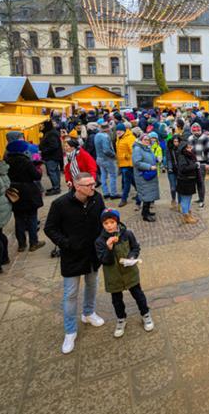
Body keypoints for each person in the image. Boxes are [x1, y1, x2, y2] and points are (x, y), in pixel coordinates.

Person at [44, 172, 106, 354]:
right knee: (70, 293)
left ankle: (88, 313)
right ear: (77, 187)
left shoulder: (97, 199)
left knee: (92, 284)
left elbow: (103, 219)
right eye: (88, 185)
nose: (92, 188)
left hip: (92, 253)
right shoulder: (60, 204)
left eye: (93, 184)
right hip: (72, 255)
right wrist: (66, 243)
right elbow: (50, 228)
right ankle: (70, 331)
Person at [94, 209, 154, 337]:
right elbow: (104, 261)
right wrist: (109, 248)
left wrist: (132, 257)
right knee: (116, 300)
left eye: (112, 222)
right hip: (113, 276)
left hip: (130, 272)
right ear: (102, 225)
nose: (109, 225)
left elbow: (135, 248)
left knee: (138, 295)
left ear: (117, 222)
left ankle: (145, 314)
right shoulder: (99, 241)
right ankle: (121, 319)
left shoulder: (127, 234)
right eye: (106, 223)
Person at [5, 140, 46, 252]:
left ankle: (21, 245)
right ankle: (33, 242)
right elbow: (36, 176)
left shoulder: (6, 161)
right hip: (28, 191)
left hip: (14, 192)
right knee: (32, 217)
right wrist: (38, 169)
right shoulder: (26, 161)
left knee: (19, 219)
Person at [132, 134, 161, 222]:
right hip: (143, 176)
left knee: (149, 195)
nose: (147, 141)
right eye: (145, 139)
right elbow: (137, 163)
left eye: (148, 140)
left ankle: (147, 211)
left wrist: (156, 159)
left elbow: (149, 158)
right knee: (146, 195)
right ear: (140, 140)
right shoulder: (138, 149)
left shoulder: (147, 148)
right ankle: (145, 215)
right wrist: (149, 167)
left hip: (149, 175)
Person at [187, 123, 209, 208]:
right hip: (193, 163)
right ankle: (198, 198)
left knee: (201, 182)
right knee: (193, 182)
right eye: (194, 131)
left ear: (200, 130)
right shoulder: (190, 138)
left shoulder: (205, 138)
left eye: (197, 130)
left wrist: (208, 163)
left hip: (202, 163)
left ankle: (202, 200)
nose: (196, 132)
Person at [175, 139, 200, 224]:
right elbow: (183, 169)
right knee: (185, 199)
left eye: (190, 147)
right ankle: (186, 216)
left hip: (189, 180)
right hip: (185, 181)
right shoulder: (182, 156)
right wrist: (195, 165)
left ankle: (188, 214)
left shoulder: (188, 155)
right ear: (184, 148)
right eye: (188, 147)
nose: (190, 149)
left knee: (188, 199)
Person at [94, 123, 119, 199]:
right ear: (107, 129)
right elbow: (106, 150)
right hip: (107, 159)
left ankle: (105, 193)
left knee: (103, 175)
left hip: (99, 158)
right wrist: (114, 156)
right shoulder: (105, 137)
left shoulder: (97, 135)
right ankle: (113, 194)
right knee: (112, 175)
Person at [39, 120, 63, 195]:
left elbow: (54, 146)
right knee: (55, 171)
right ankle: (56, 186)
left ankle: (56, 188)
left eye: (42, 125)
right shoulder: (51, 132)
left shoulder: (51, 134)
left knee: (52, 172)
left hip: (51, 156)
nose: (40, 127)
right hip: (53, 156)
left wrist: (43, 150)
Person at [116, 123, 136, 207]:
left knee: (126, 181)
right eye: (117, 130)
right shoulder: (119, 138)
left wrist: (125, 156)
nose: (118, 132)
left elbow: (134, 151)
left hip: (129, 164)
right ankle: (141, 194)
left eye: (120, 130)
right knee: (132, 180)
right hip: (122, 164)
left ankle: (124, 199)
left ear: (124, 130)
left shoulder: (130, 138)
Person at [166, 134, 183, 209]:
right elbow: (168, 159)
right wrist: (169, 168)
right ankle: (173, 200)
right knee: (173, 187)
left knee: (179, 187)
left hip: (180, 170)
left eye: (177, 141)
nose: (176, 143)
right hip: (171, 169)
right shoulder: (169, 148)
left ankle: (180, 203)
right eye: (174, 141)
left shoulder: (182, 148)